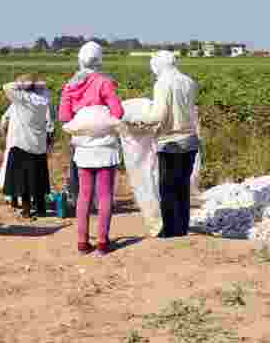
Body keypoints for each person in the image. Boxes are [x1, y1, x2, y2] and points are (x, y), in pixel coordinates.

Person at [58, 41, 124, 255]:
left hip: (83, 148)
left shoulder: (70, 85)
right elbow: (118, 112)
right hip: (105, 146)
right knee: (104, 196)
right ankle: (103, 243)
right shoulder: (105, 82)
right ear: (99, 59)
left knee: (83, 195)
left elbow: (64, 117)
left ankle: (82, 243)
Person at [139, 50, 200, 239]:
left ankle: (170, 231)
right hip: (190, 139)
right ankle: (182, 228)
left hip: (170, 141)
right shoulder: (189, 81)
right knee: (182, 186)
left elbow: (159, 114)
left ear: (159, 65)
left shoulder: (163, 84)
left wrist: (142, 121)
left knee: (167, 188)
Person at [0, 74, 55, 219]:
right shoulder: (44, 98)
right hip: (39, 144)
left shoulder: (22, 99)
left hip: (22, 144)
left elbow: (6, 86)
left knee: (23, 180)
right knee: (39, 177)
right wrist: (35, 84)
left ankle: (26, 210)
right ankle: (41, 208)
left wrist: (22, 84)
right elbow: (45, 89)